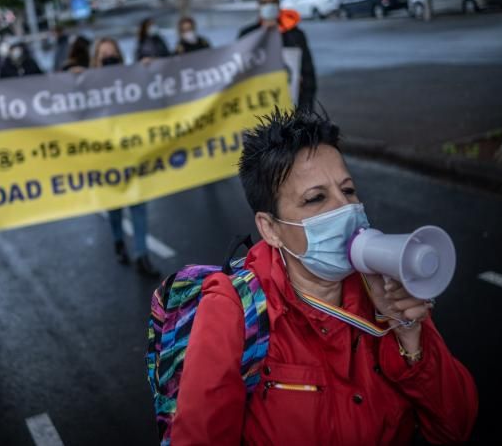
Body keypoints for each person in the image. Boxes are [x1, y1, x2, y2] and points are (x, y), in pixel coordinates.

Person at [171, 109, 478, 444]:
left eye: (348, 191)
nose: (344, 210)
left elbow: (454, 428)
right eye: (316, 198)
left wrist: (410, 337)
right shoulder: (232, 310)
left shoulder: (388, 291)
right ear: (270, 228)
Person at [92, 38, 159, 278]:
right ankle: (119, 240)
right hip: (106, 155)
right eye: (104, 56)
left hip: (132, 151)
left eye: (113, 55)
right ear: (96, 60)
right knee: (114, 206)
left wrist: (148, 70)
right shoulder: (88, 85)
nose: (109, 59)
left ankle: (142, 255)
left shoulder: (131, 79)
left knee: (138, 204)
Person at [239, 0, 318, 112]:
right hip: (257, 107)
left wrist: (306, 106)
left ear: (279, 4)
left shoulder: (295, 35)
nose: (269, 6)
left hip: (292, 104)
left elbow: (308, 72)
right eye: (264, 2)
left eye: (273, 2)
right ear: (258, 5)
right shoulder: (247, 35)